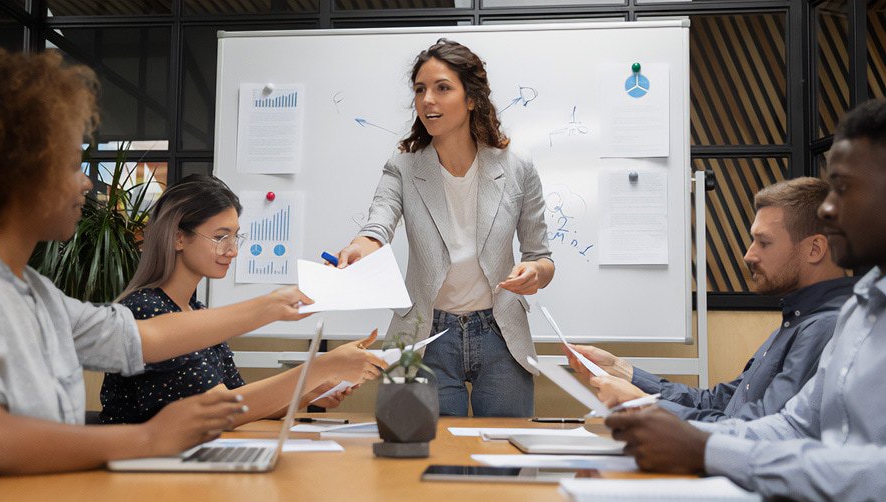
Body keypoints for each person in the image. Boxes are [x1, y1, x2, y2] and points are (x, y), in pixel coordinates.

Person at [0, 49, 303, 474]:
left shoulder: (37, 294)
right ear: (20, 171)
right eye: (70, 164)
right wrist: (149, 438)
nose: (86, 181)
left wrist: (270, 307)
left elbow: (141, 339)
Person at [604, 98, 886, 501]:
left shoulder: (826, 321)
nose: (827, 208)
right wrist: (671, 423)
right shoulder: (860, 310)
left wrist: (701, 446)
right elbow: (792, 426)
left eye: (842, 188)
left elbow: (877, 476)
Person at [335, 39, 555, 417]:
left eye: (442, 88)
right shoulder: (403, 166)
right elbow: (379, 221)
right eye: (420, 90)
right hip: (426, 333)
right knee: (424, 463)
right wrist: (362, 245)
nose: (427, 100)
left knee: (503, 463)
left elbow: (541, 258)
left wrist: (534, 272)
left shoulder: (517, 165)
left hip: (500, 331)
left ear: (471, 99)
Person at [99, 175, 387, 425]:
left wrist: (312, 391)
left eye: (236, 237)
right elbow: (224, 409)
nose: (233, 251)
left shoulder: (197, 311)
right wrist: (321, 368)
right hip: (138, 473)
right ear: (178, 238)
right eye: (221, 237)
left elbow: (243, 401)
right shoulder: (146, 309)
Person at [567, 177, 853, 422]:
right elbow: (721, 404)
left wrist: (647, 406)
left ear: (815, 248)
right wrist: (623, 371)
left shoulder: (825, 328)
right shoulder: (797, 321)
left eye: (764, 243)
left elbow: (752, 432)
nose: (749, 255)